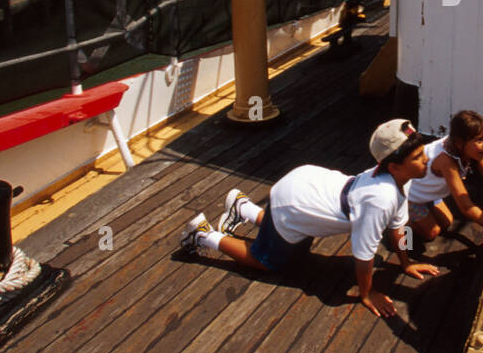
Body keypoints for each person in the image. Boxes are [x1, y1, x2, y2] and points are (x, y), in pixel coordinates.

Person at [181, 118, 440, 318]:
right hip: (292, 202)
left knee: (291, 247)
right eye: (417, 157)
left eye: (422, 152)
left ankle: (243, 208)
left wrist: (406, 263)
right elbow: (364, 255)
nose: (426, 159)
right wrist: (367, 293)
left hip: (305, 188)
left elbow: (399, 229)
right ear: (393, 166)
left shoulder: (401, 180)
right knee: (270, 261)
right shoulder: (380, 199)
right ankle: (204, 235)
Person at [407, 110, 483, 243]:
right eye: (480, 140)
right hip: (410, 197)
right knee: (431, 233)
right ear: (459, 143)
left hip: (428, 195)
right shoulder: (445, 160)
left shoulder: (469, 149)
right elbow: (466, 207)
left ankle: (420, 210)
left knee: (446, 222)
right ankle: (398, 222)